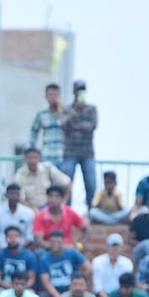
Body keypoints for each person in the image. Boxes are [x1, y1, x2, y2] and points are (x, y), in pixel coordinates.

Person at [60, 79, 98, 208]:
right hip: (70, 152)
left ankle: (92, 211)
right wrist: (73, 114)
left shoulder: (91, 109)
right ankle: (67, 210)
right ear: (73, 92)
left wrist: (76, 126)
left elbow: (92, 126)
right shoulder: (67, 109)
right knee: (67, 182)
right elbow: (64, 125)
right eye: (78, 90)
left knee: (91, 183)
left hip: (87, 152)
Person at [28, 82, 65, 165]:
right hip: (46, 156)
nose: (53, 98)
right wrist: (32, 150)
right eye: (50, 95)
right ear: (46, 96)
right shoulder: (41, 115)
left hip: (63, 157)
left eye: (55, 95)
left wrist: (60, 112)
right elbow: (33, 132)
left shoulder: (66, 114)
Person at [0, 184, 35, 250]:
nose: (14, 196)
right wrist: (2, 250)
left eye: (16, 194)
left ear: (19, 196)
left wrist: (18, 250)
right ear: (6, 195)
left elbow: (30, 237)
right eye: (11, 194)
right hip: (1, 248)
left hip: (21, 249)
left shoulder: (28, 213)